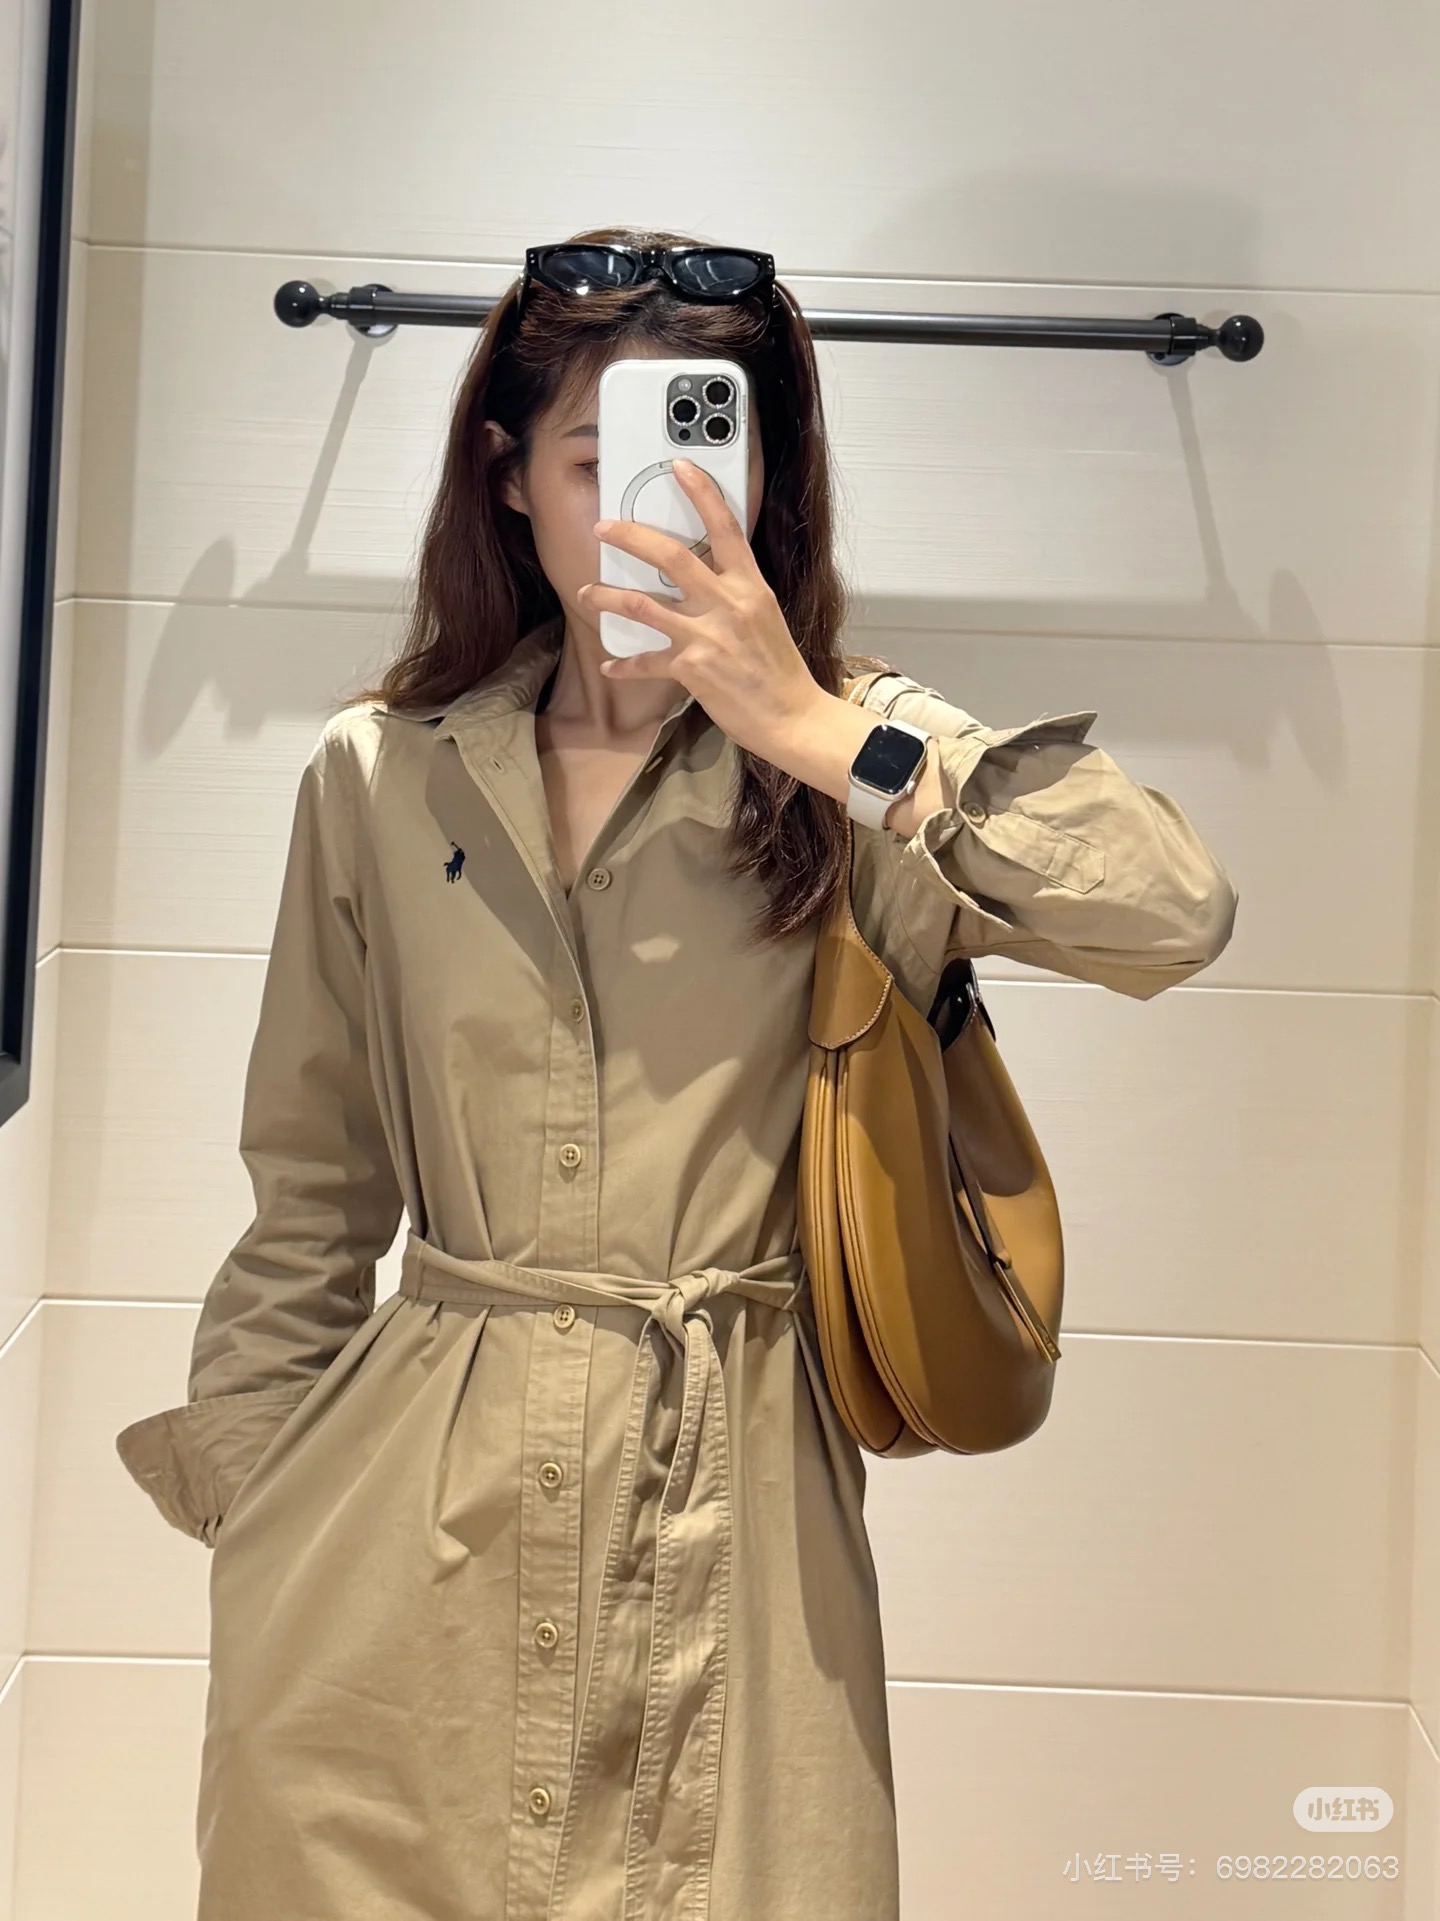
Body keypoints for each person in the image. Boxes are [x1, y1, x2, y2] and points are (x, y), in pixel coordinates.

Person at [115, 223, 1238, 1920]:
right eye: (595, 461)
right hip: (390, 1573)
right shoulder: (382, 774)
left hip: (738, 1552)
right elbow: (310, 1195)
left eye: (708, 454)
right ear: (508, 477)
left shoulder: (858, 767)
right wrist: (265, 1514)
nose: (654, 507)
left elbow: (1171, 911)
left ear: (768, 481)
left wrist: (824, 734)